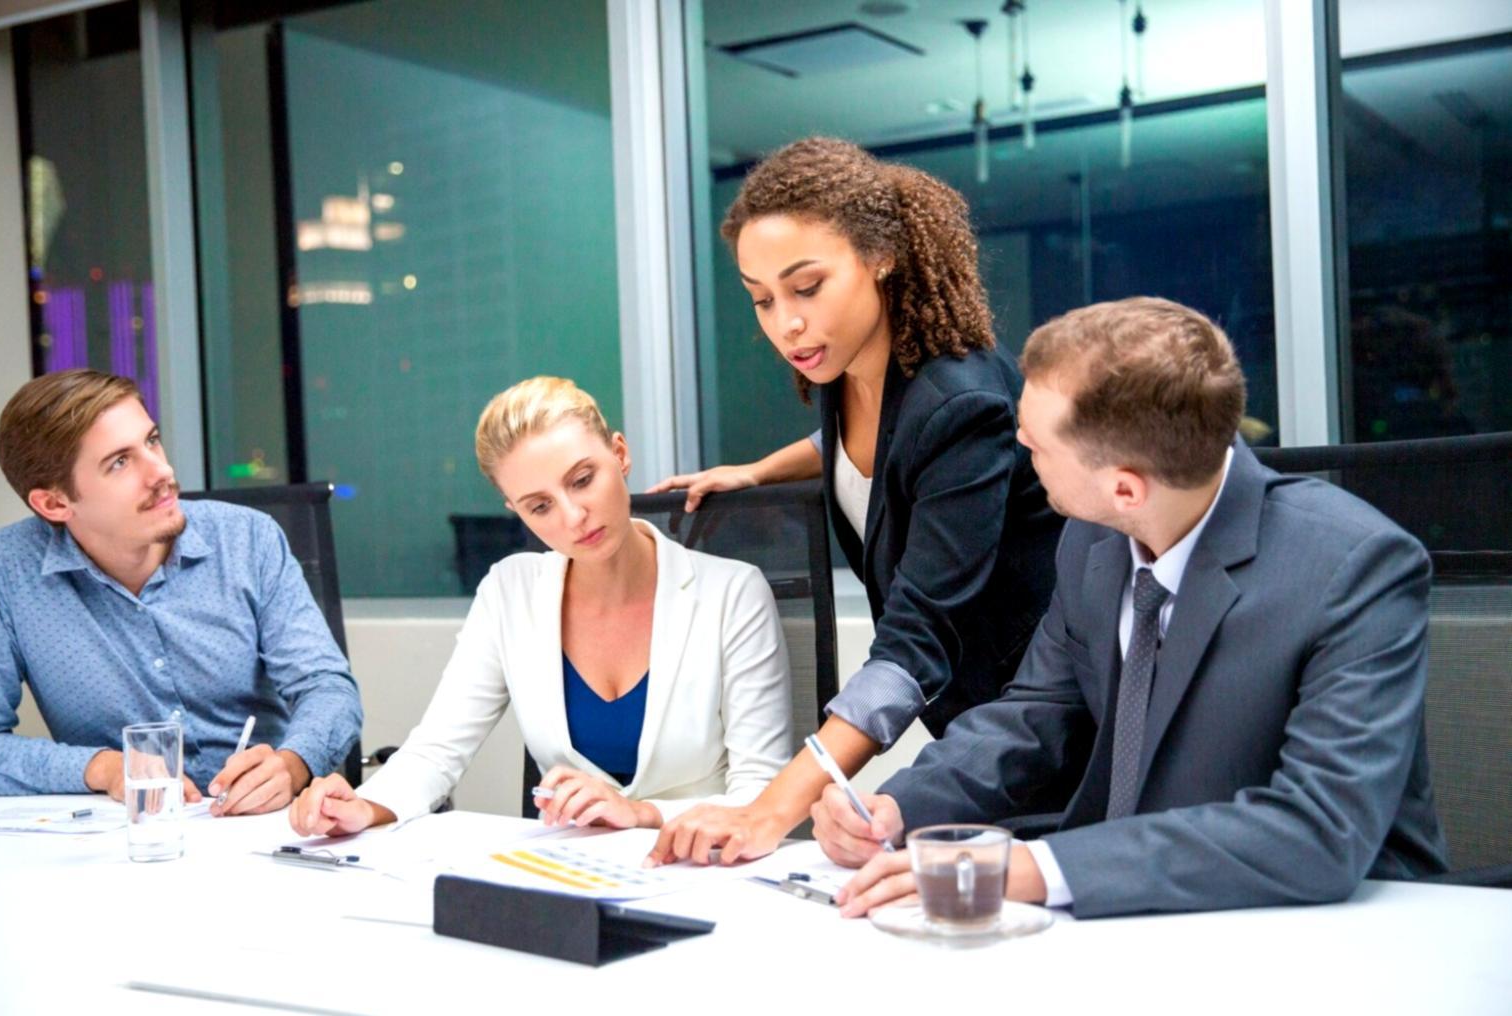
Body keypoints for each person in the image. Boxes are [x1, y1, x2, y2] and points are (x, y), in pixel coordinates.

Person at [815, 297, 1449, 918]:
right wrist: (899, 808)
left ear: (1125, 487)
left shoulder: (1354, 566)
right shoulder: (1096, 536)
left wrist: (1037, 870)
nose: (1019, 451)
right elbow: (1036, 713)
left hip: (1330, 929)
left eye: (1034, 448)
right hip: (1132, 919)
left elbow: (1320, 830)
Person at [646, 137, 1062, 865]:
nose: (787, 324)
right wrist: (759, 469)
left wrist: (770, 810)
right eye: (763, 299)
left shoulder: (960, 404)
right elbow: (853, 447)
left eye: (807, 287)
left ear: (881, 256)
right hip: (970, 721)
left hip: (1039, 729)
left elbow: (916, 640)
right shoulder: (857, 365)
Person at [288, 377, 791, 837]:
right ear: (517, 511)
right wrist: (363, 806)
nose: (574, 517)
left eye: (582, 479)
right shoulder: (510, 592)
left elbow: (761, 795)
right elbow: (437, 750)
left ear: (620, 454)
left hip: (707, 871)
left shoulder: (731, 594)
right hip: (571, 877)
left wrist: (642, 814)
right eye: (540, 506)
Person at [0, 370, 362, 815]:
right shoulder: (4, 571)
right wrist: (105, 769)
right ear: (55, 504)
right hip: (125, 839)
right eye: (120, 462)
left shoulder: (247, 539)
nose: (162, 471)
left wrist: (292, 765)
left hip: (262, 826)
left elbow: (327, 687)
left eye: (152, 441)